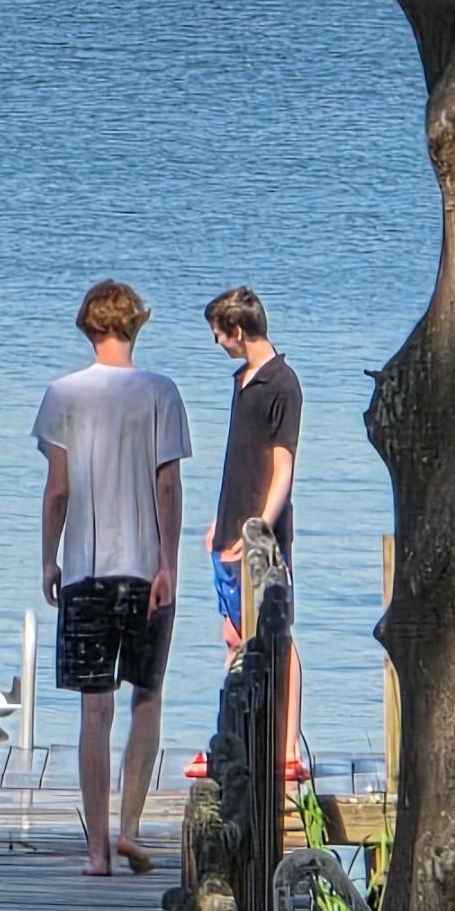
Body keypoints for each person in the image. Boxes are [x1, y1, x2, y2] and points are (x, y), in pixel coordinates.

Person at [36, 279, 190, 875]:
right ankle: (130, 826)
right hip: (146, 567)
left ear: (87, 327)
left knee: (93, 713)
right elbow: (168, 484)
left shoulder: (62, 395)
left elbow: (58, 490)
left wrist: (49, 558)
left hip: (87, 570)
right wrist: (168, 563)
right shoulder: (162, 393)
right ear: (136, 325)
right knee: (146, 699)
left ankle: (97, 850)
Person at [204, 287, 305, 783]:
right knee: (232, 636)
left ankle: (286, 750)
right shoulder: (241, 380)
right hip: (228, 526)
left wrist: (262, 525)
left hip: (261, 533)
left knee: (275, 637)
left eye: (218, 334)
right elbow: (238, 460)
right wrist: (218, 521)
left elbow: (282, 465)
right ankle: (234, 741)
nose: (217, 342)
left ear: (238, 330)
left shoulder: (281, 384)